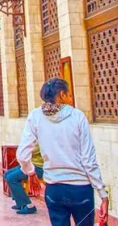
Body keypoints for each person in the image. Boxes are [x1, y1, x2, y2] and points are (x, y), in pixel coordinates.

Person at [17, 78, 108, 225]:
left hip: (54, 189)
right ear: (62, 95)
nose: (71, 99)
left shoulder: (35, 116)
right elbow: (88, 160)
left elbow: (22, 154)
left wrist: (30, 172)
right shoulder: (77, 116)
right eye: (69, 95)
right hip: (80, 189)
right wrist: (102, 193)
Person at [5, 147, 45, 215]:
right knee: (7, 174)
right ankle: (20, 203)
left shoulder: (39, 140)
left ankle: (29, 206)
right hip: (30, 164)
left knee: (11, 178)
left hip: (39, 167)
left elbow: (27, 151)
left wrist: (23, 150)